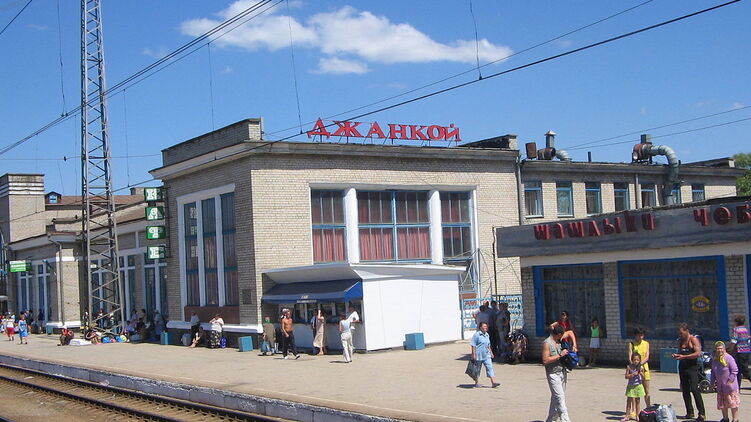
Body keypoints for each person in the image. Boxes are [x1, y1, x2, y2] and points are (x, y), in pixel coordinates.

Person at [672, 323, 705, 421]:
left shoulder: (693, 339)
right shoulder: (681, 341)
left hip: (692, 367)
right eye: (679, 333)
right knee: (685, 390)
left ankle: (702, 413)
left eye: (681, 333)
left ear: (687, 331)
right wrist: (677, 355)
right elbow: (680, 352)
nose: (680, 335)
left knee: (694, 389)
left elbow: (698, 353)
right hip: (683, 367)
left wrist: (685, 356)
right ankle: (689, 412)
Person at [542, 324, 571, 422]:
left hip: (562, 372)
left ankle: (551, 420)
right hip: (553, 374)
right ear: (558, 334)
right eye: (561, 335)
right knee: (560, 398)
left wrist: (574, 346)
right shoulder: (547, 343)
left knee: (556, 398)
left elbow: (570, 333)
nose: (562, 337)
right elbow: (545, 360)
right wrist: (560, 355)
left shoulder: (559, 341)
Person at [711, 341, 740, 422]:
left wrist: (730, 380)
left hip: (730, 387)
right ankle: (725, 418)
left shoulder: (729, 358)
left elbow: (735, 370)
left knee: (733, 403)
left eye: (721, 348)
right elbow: (713, 372)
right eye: (718, 349)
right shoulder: (715, 360)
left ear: (724, 349)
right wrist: (712, 382)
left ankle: (735, 419)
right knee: (723, 404)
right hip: (721, 387)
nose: (719, 350)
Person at [470, 321, 500, 388]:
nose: (485, 328)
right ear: (480, 327)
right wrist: (473, 354)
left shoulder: (487, 335)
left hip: (486, 355)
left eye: (486, 326)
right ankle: (477, 382)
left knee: (490, 367)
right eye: (484, 326)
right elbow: (473, 345)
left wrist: (491, 353)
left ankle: (493, 382)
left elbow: (488, 345)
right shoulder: (477, 335)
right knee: (477, 369)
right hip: (478, 355)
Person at [628, 327, 652, 407]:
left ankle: (648, 408)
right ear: (635, 335)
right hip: (634, 370)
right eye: (639, 335)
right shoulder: (632, 344)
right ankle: (635, 410)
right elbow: (630, 357)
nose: (641, 337)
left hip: (644, 368)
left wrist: (640, 364)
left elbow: (647, 357)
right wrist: (635, 366)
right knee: (635, 391)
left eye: (642, 335)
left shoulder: (646, 343)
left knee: (646, 390)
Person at [622, 352, 646, 422]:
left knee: (637, 401)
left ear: (639, 360)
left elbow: (644, 377)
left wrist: (640, 373)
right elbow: (626, 376)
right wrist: (632, 375)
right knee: (629, 401)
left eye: (637, 360)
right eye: (634, 360)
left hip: (638, 385)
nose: (636, 361)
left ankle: (637, 416)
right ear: (632, 360)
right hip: (631, 386)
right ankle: (627, 415)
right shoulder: (629, 367)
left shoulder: (641, 367)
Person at [729, 314, 751, 387]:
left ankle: (737, 386)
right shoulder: (745, 329)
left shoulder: (736, 330)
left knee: (744, 370)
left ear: (736, 322)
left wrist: (730, 350)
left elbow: (734, 341)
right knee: (738, 369)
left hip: (740, 352)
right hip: (746, 351)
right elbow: (748, 340)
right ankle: (737, 387)